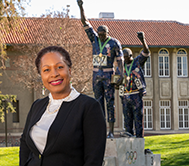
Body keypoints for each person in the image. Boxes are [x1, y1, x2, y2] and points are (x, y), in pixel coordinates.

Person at [19, 46, 106, 166]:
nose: (54, 74)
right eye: (46, 70)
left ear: (69, 71)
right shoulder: (37, 106)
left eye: (59, 67)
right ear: (41, 75)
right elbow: (25, 143)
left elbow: (93, 160)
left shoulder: (88, 107)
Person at [77, 0, 124, 138]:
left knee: (110, 102)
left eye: (103, 35)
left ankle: (110, 131)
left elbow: (120, 61)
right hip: (96, 74)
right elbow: (84, 21)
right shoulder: (94, 39)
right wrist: (81, 7)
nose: (101, 37)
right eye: (99, 34)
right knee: (97, 103)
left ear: (107, 33)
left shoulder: (114, 43)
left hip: (109, 75)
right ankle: (100, 130)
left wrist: (121, 75)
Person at [117, 32, 150, 138]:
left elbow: (146, 52)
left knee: (138, 119)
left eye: (126, 57)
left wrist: (143, 41)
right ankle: (129, 142)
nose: (125, 59)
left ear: (131, 56)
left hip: (136, 94)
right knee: (127, 120)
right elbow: (116, 82)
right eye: (124, 58)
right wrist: (116, 83)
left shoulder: (137, 62)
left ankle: (139, 140)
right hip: (125, 96)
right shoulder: (120, 68)